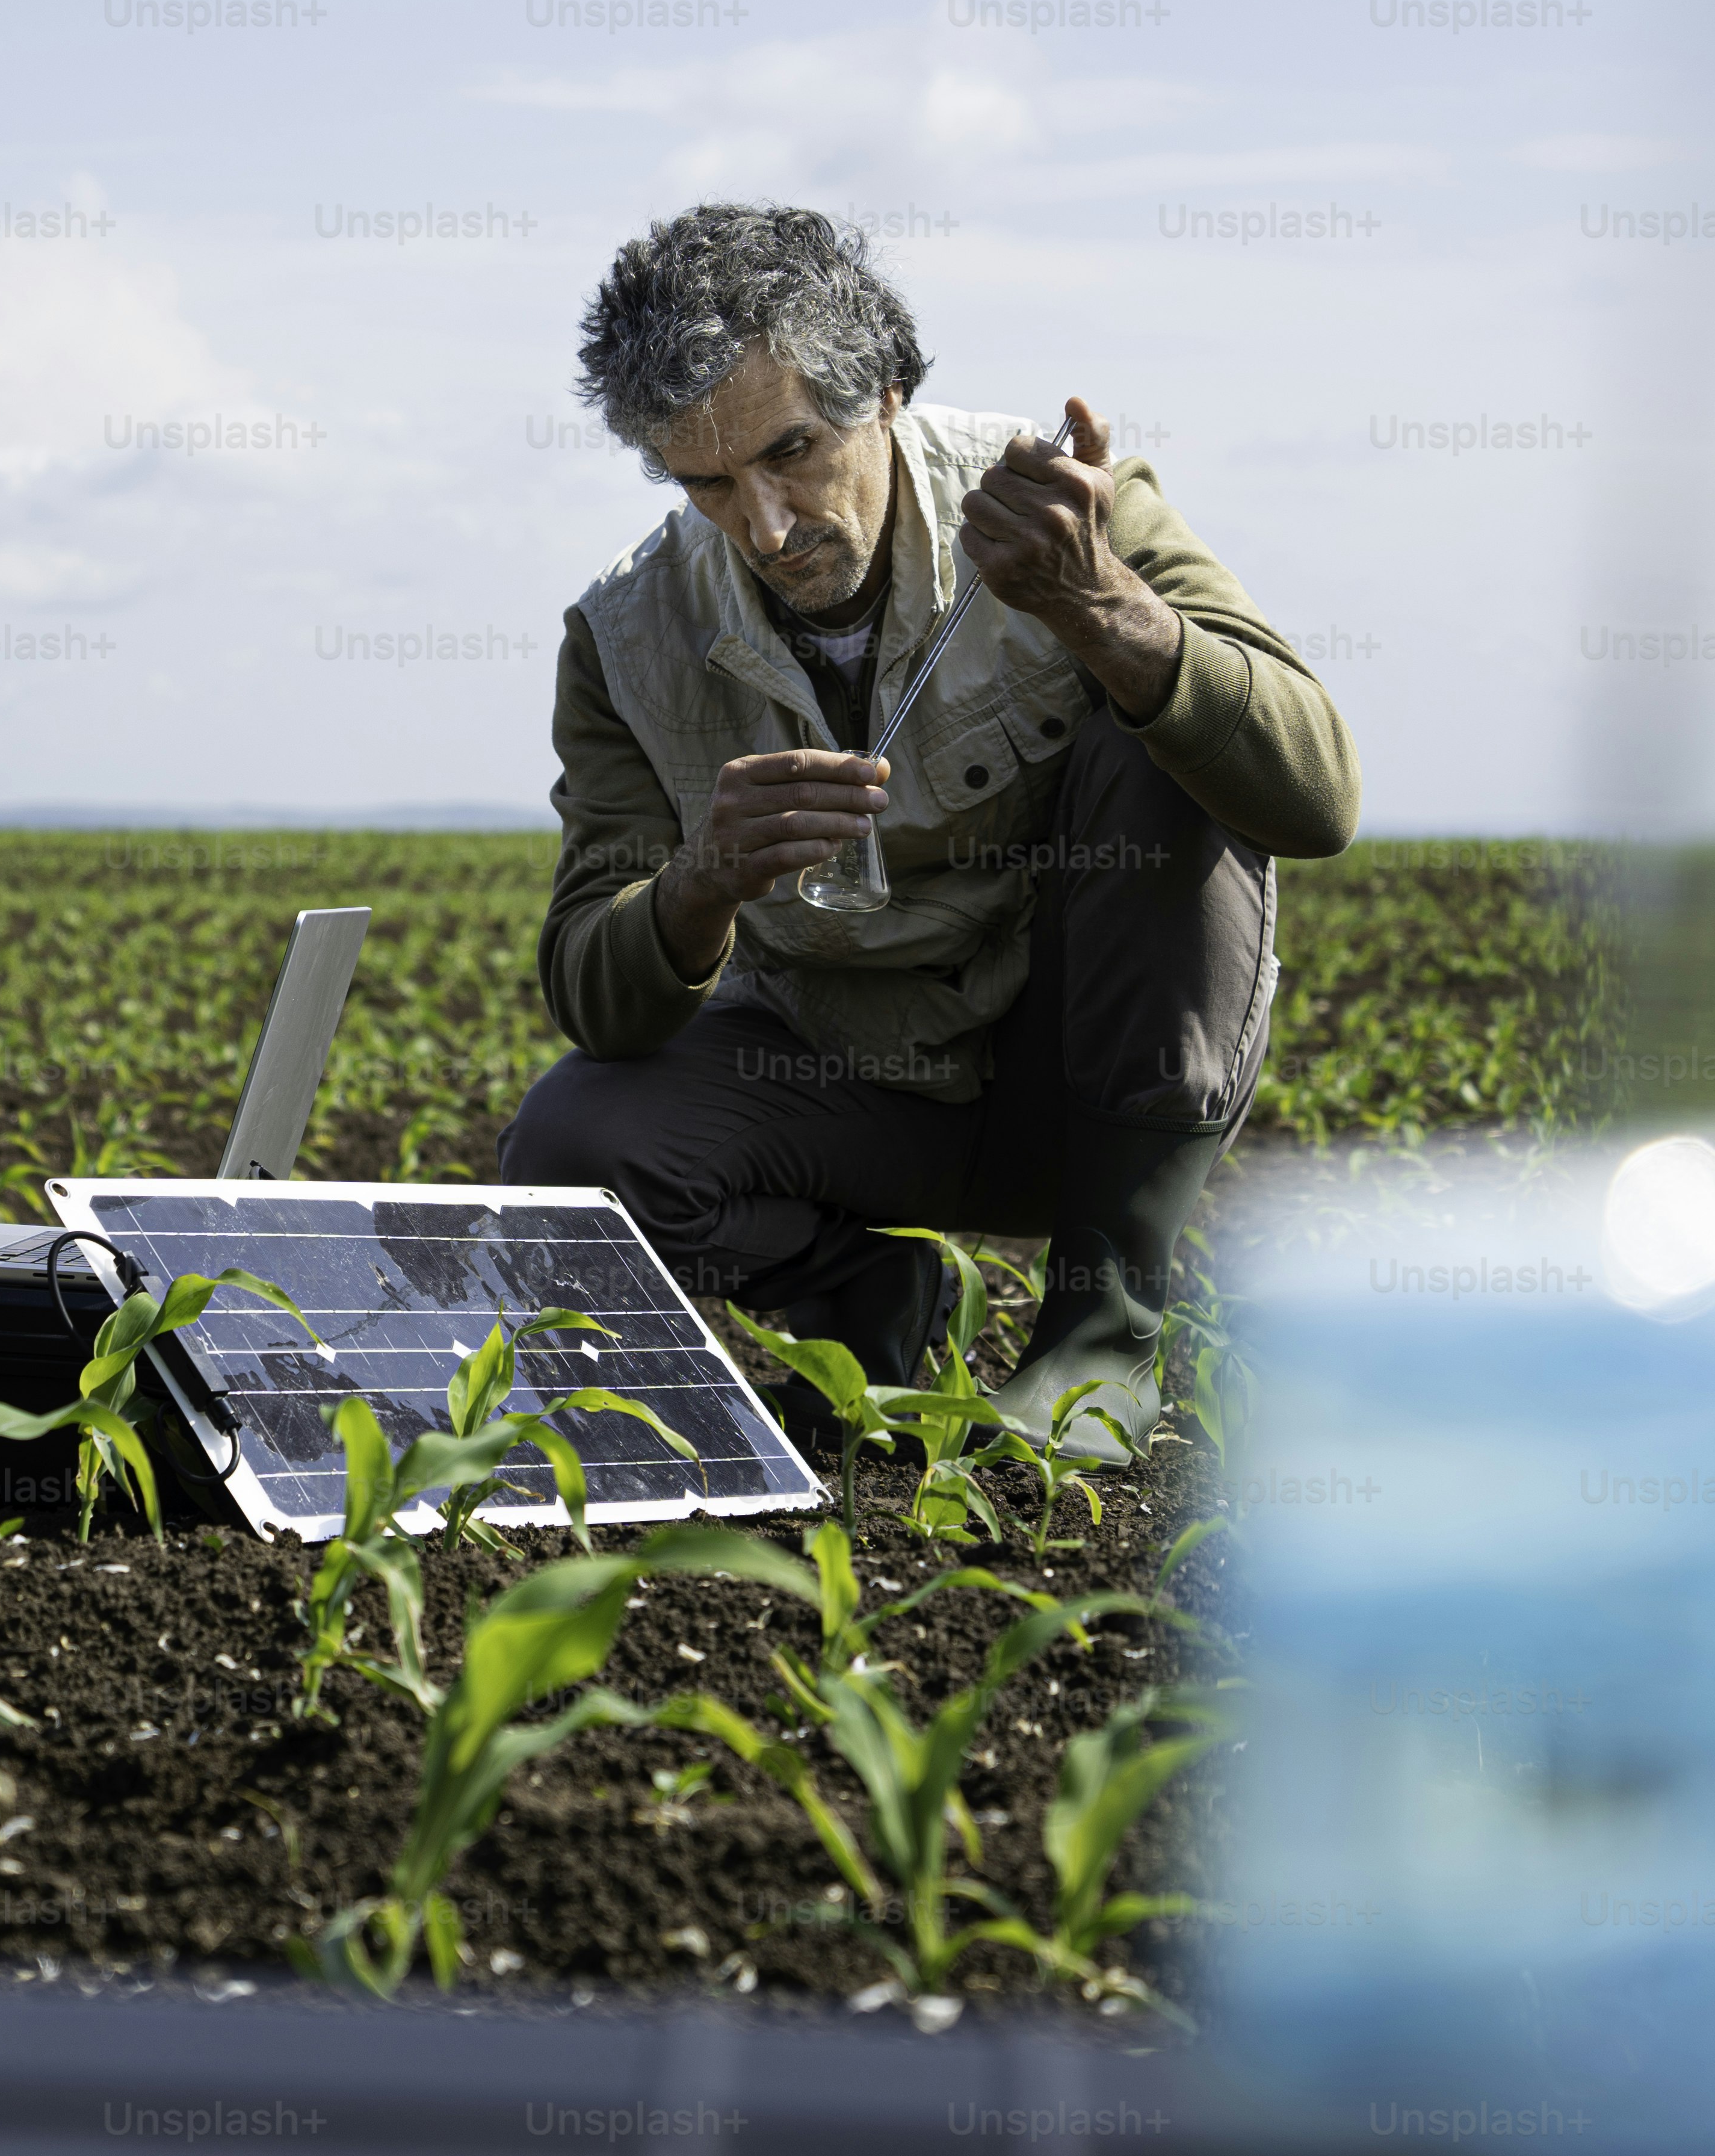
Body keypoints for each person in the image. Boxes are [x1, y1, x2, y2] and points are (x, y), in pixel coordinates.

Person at [499, 206, 1360, 1454]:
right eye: (708, 484)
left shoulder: (1072, 514)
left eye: (793, 451)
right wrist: (699, 884)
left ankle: (1102, 1333)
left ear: (887, 390)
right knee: (570, 1148)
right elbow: (596, 995)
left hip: (1082, 1090)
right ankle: (863, 1282)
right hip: (840, 1094)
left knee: (1158, 723)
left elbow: (1317, 797)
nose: (767, 526)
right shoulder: (624, 638)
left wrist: (1104, 608)